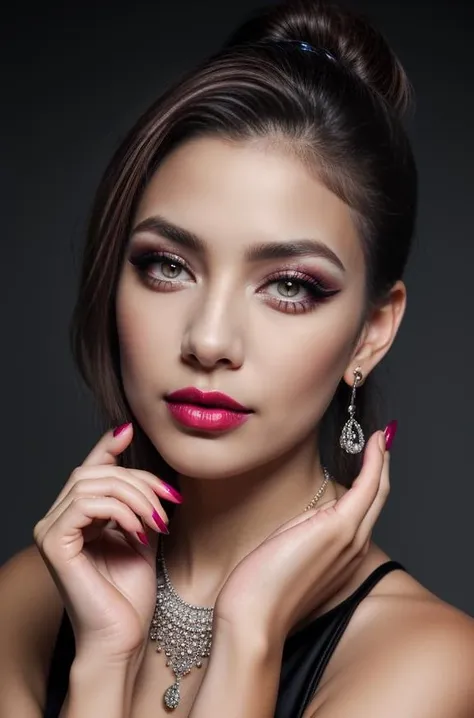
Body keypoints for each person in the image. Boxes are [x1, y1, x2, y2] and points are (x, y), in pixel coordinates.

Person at [1, 0, 473, 716]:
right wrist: (103, 661)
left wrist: (251, 633)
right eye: (167, 266)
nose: (210, 340)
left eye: (289, 285)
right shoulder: (28, 600)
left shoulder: (432, 663)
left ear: (372, 332)